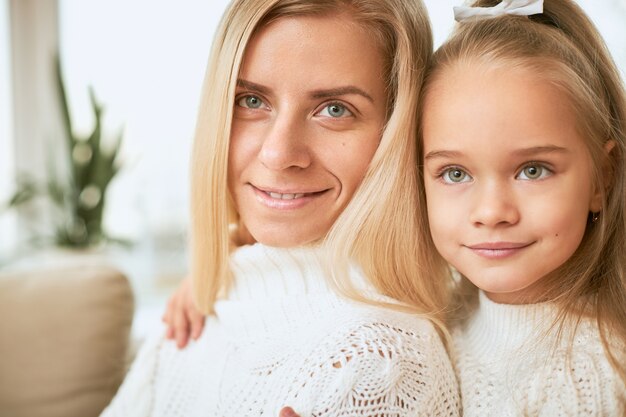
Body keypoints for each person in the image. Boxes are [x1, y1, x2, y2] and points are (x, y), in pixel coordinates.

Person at [102, 0, 460, 416]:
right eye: (252, 101)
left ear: (398, 132)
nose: (278, 153)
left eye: (334, 109)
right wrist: (221, 272)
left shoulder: (376, 364)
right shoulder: (213, 301)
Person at [418, 0, 626, 414]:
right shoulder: (440, 321)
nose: (492, 212)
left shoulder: (585, 377)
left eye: (533, 170)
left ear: (603, 177)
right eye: (455, 173)